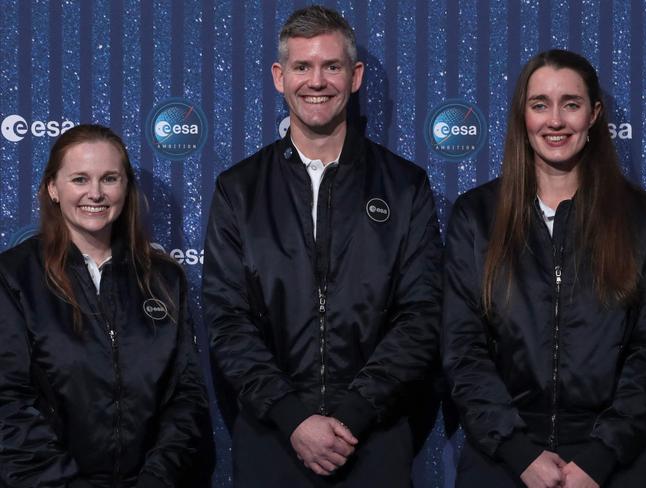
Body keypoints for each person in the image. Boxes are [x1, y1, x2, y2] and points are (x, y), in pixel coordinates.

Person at [202, 5, 442, 487]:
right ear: (279, 76)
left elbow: (421, 316)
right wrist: (293, 418)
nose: (317, 81)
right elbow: (227, 321)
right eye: (302, 66)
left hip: (373, 438)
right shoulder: (239, 189)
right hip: (273, 437)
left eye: (331, 66)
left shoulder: (404, 186)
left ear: (354, 77)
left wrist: (353, 414)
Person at [443, 49, 646, 488]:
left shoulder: (640, 219)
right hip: (502, 458)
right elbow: (463, 350)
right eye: (540, 104)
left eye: (570, 104)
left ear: (593, 115)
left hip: (614, 461)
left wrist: (601, 457)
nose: (555, 120)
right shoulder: (477, 216)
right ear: (523, 114)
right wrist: (520, 453)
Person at [0, 124, 214, 488]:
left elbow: (186, 398)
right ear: (53, 188)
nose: (95, 193)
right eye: (80, 179)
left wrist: (157, 480)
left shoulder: (163, 279)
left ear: (126, 187)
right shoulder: (13, 277)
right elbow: (8, 406)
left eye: (109, 178)